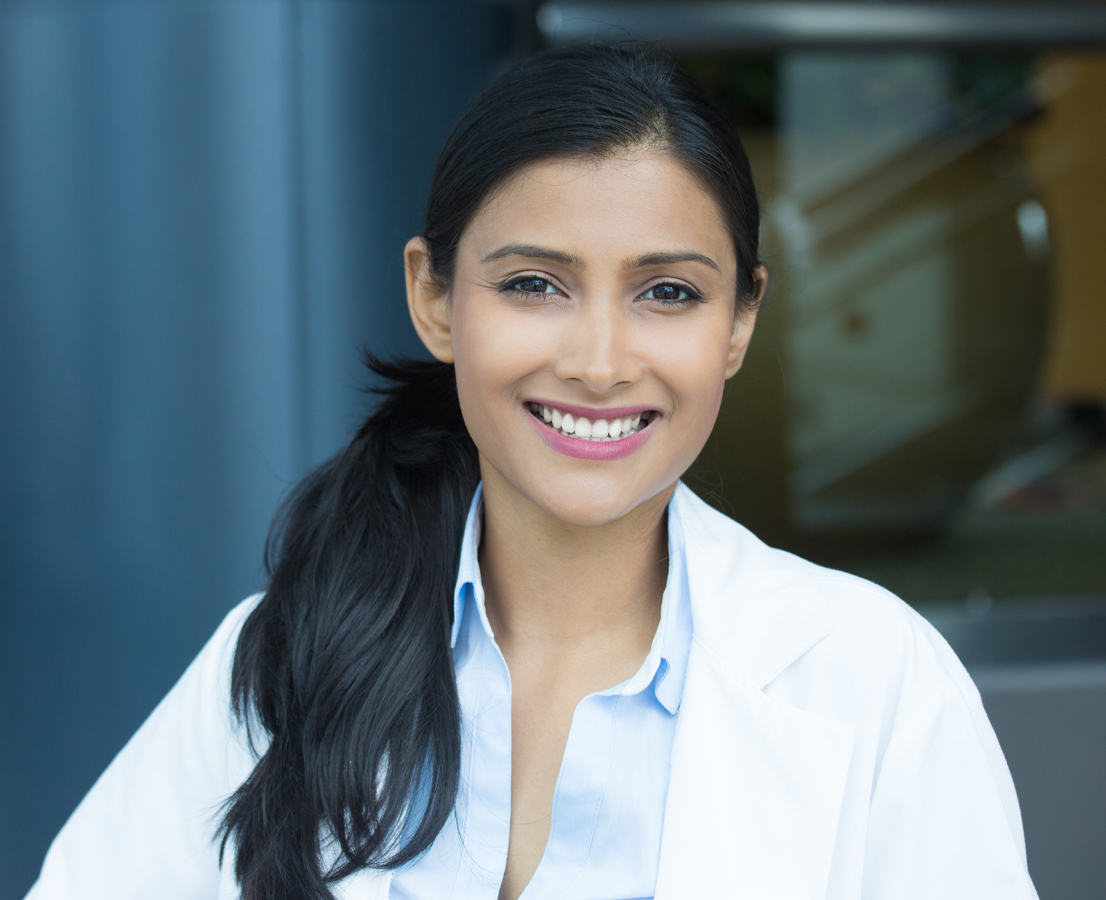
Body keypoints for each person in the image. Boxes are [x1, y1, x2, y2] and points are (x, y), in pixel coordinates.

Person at [26, 45, 1038, 900]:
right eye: (533, 284)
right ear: (433, 298)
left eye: (670, 293)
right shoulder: (280, 656)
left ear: (740, 322)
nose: (599, 361)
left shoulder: (871, 683)